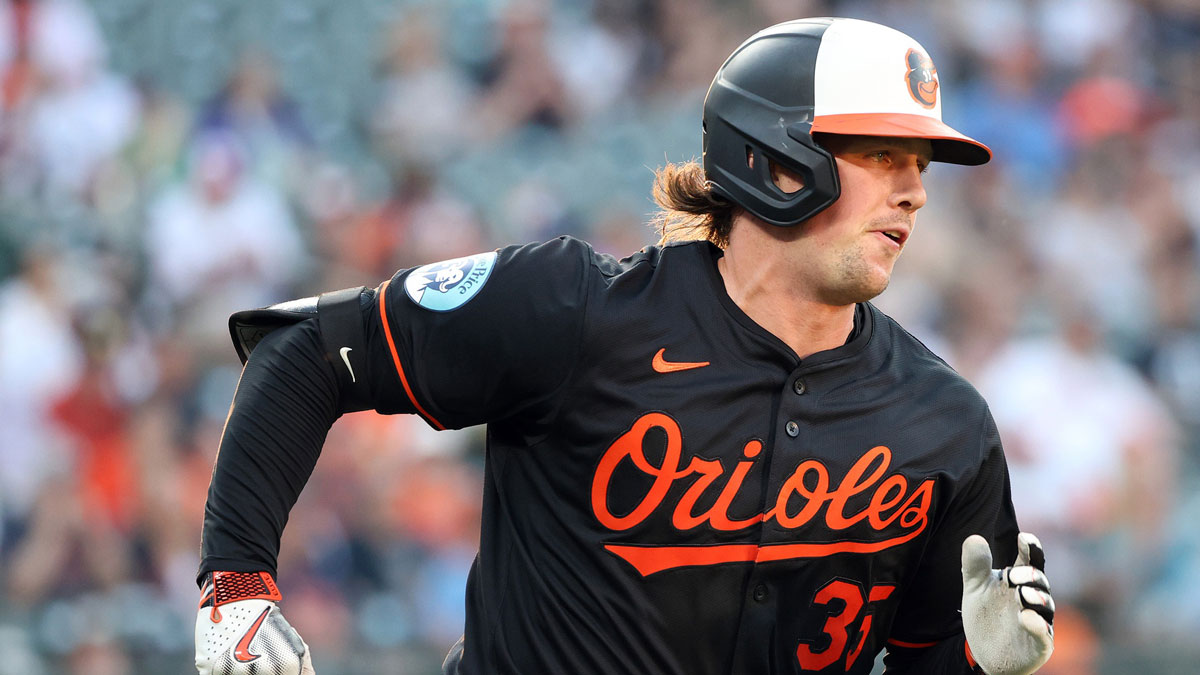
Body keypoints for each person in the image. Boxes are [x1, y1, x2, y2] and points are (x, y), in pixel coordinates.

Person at [193, 17, 1055, 675]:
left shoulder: (945, 423)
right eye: (883, 154)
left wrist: (976, 664)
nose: (914, 192)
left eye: (921, 165)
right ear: (776, 159)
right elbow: (308, 351)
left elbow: (924, 660)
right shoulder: (573, 308)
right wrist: (236, 584)